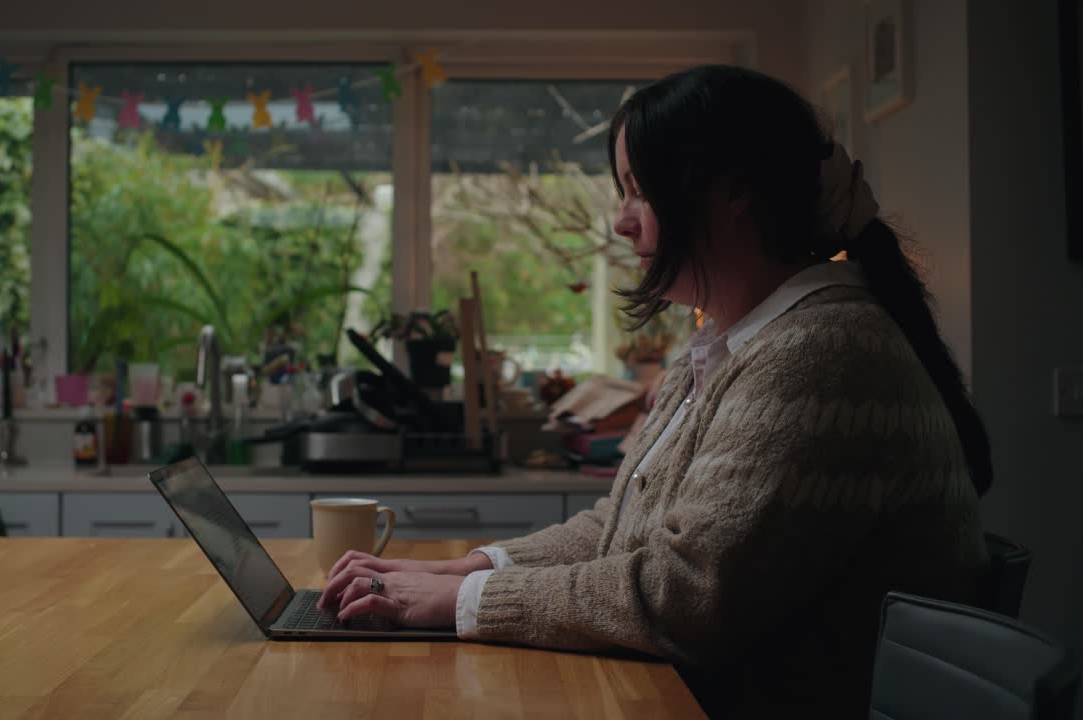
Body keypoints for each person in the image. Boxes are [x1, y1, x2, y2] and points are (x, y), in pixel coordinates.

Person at [318, 64, 991, 717]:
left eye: (640, 191)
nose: (621, 220)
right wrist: (466, 571)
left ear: (735, 191)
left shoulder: (819, 352)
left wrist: (465, 603)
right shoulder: (736, 345)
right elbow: (619, 530)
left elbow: (690, 594)